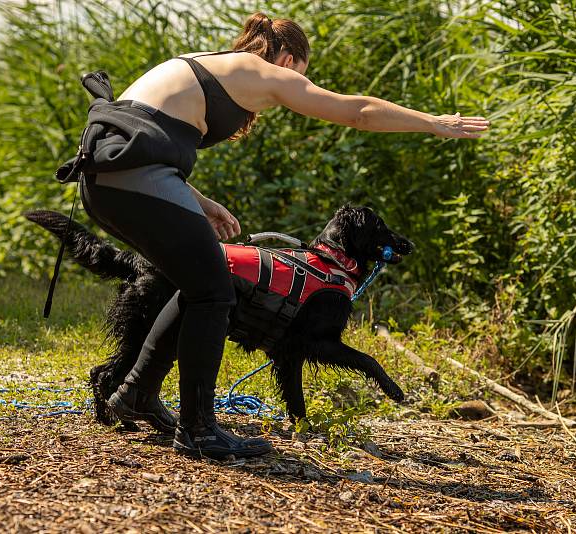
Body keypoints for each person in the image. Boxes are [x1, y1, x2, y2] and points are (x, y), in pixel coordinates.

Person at [77, 12, 490, 460]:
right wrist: (433, 122)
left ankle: (137, 394)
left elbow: (147, 132)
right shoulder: (261, 70)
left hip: (106, 179)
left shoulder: (207, 63)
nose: (297, 87)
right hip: (135, 179)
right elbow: (358, 112)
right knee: (214, 292)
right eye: (302, 76)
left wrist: (200, 201)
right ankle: (197, 428)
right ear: (289, 59)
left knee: (199, 282)